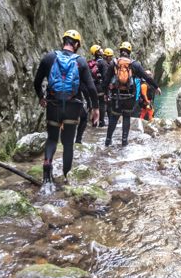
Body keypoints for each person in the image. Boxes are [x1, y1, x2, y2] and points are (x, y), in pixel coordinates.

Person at [33, 29, 100, 186]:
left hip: (53, 105)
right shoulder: (81, 61)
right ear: (76, 44)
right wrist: (95, 108)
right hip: (73, 106)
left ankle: (47, 164)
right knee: (68, 143)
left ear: (63, 41)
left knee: (52, 138)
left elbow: (37, 82)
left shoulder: (49, 58)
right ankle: (66, 177)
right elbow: (91, 88)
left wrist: (41, 97)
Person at [101, 41, 160, 147]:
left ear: (120, 51)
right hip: (129, 97)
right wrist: (156, 86)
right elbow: (146, 77)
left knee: (114, 117)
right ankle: (124, 141)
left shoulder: (114, 63)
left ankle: (108, 140)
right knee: (126, 117)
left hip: (116, 96)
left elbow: (106, 81)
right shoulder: (134, 64)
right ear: (129, 52)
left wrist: (105, 94)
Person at [88, 43, 109, 126]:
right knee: (102, 103)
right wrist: (106, 90)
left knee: (94, 103)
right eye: (100, 49)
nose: (102, 50)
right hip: (100, 87)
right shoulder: (103, 63)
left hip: (92, 86)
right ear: (97, 52)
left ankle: (93, 121)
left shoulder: (91, 63)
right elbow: (105, 77)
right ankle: (101, 122)